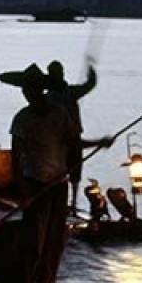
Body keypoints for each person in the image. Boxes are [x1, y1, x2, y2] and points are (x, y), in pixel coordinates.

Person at [2, 63, 74, 283]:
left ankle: (47, 281)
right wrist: (22, 190)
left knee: (56, 237)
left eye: (30, 89)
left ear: (39, 91)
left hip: (58, 183)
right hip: (35, 184)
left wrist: (98, 143)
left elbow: (73, 142)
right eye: (24, 90)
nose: (26, 94)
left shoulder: (59, 115)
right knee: (34, 238)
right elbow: (15, 157)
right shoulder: (22, 119)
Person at [46, 58, 98, 211]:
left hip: (68, 137)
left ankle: (73, 203)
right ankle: (67, 203)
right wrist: (91, 70)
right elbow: (89, 85)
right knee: (64, 172)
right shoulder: (55, 95)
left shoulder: (59, 94)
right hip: (60, 140)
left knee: (73, 172)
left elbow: (89, 85)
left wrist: (91, 71)